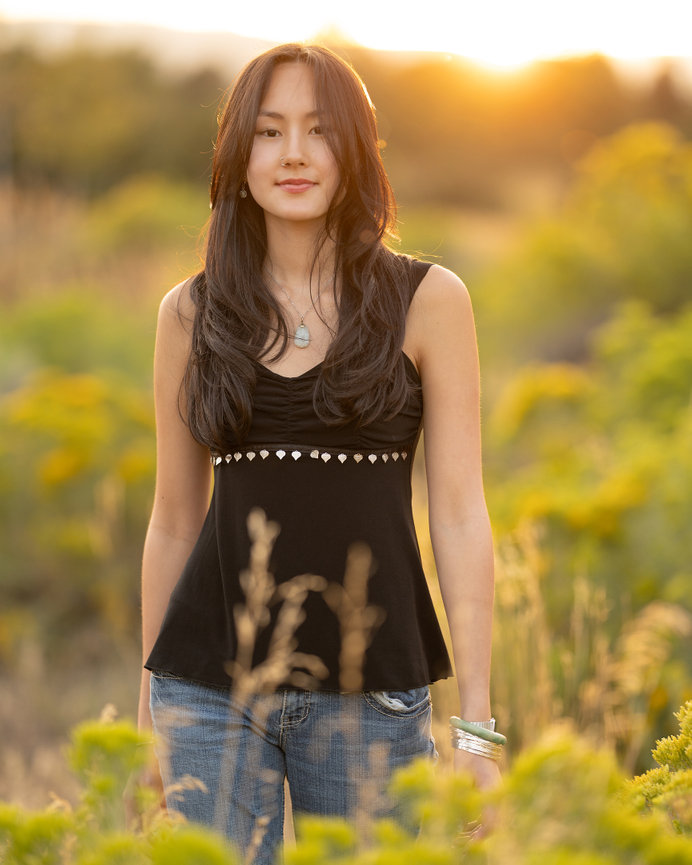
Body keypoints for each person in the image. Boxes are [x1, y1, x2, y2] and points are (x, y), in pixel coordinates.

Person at [138, 42, 500, 864]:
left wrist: (477, 730)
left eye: (318, 131)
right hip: (205, 696)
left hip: (372, 698)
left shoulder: (430, 300)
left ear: (356, 152)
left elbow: (460, 514)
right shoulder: (187, 313)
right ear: (238, 157)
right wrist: (144, 716)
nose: (293, 153)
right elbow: (172, 522)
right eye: (268, 133)